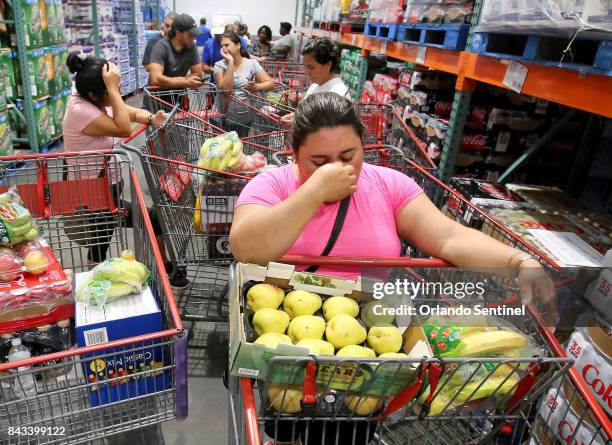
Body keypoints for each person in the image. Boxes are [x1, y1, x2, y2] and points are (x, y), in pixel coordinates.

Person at [62, 55, 189, 287]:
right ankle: (164, 270)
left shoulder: (94, 101)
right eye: (113, 90)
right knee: (127, 227)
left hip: (106, 188)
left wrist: (151, 117)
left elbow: (128, 112)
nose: (117, 93)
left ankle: (100, 280)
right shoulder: (80, 109)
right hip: (92, 194)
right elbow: (122, 127)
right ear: (95, 94)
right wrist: (112, 89)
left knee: (102, 238)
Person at [214, 31, 275, 137]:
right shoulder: (219, 65)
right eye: (222, 46)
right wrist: (231, 62)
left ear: (238, 45)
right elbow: (225, 91)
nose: (224, 48)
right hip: (222, 119)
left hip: (244, 120)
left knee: (239, 150)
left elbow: (270, 84)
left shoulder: (252, 64)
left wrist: (256, 87)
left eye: (227, 45)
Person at [280, 38, 349, 124]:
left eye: (311, 67)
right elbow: (309, 115)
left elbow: (330, 128)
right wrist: (295, 115)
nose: (307, 72)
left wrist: (299, 122)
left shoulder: (338, 93)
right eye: (305, 67)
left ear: (328, 65)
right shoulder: (314, 86)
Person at [146, 13, 204, 112]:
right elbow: (155, 78)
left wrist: (170, 82)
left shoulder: (191, 47)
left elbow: (198, 74)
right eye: (190, 34)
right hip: (158, 100)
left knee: (181, 126)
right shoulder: (161, 47)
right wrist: (185, 81)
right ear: (178, 32)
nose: (193, 38)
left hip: (178, 100)